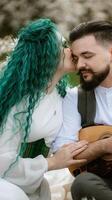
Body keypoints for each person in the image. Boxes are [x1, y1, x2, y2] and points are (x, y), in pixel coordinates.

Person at [0, 18, 88, 200]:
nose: (69, 50)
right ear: (46, 56)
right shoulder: (18, 100)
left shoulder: (62, 95)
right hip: (6, 182)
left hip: (34, 181)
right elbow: (2, 162)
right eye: (62, 45)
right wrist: (52, 163)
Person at [52, 20, 112, 200]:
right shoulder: (74, 98)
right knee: (82, 183)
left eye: (87, 56)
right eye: (76, 57)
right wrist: (104, 145)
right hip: (106, 185)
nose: (80, 65)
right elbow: (63, 153)